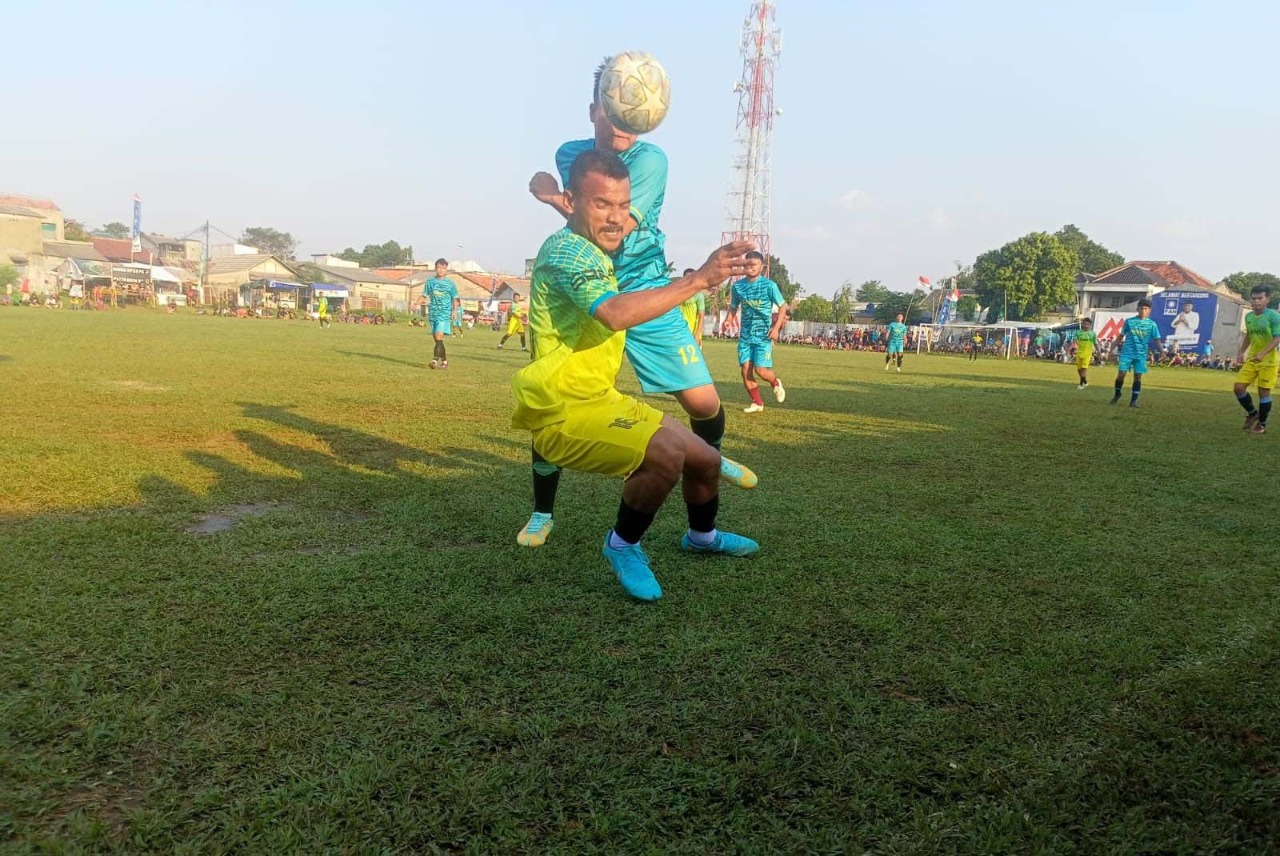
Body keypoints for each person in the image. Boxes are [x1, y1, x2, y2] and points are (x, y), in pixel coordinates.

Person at [517, 57, 755, 549]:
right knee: (557, 400)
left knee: (706, 403)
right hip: (585, 293)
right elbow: (589, 219)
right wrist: (559, 194)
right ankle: (542, 512)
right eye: (616, 110)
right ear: (595, 109)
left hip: (647, 288)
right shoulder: (570, 153)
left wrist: (549, 197)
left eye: (634, 113)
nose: (625, 122)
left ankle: (704, 461)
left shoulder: (651, 161)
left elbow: (615, 226)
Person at [729, 251, 789, 413]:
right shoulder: (738, 286)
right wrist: (729, 319)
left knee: (761, 371)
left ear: (761, 267)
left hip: (763, 335)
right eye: (747, 265)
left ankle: (775, 382)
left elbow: (783, 306)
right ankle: (757, 403)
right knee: (745, 370)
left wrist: (776, 329)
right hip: (746, 336)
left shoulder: (770, 286)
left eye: (754, 265)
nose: (750, 268)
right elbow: (734, 305)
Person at [1233, 285, 1280, 435]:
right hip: (1253, 359)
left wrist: (1263, 353)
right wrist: (1241, 352)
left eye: (1260, 298)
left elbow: (1277, 338)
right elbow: (1248, 335)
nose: (1256, 301)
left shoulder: (1274, 317)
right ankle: (1253, 413)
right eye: (1253, 298)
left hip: (1269, 361)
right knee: (1238, 388)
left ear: (1267, 299)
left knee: (1263, 392)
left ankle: (1262, 424)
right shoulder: (1249, 316)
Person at [1110, 298, 1162, 407]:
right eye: (1141, 308)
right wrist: (1111, 349)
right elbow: (1121, 336)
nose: (1143, 310)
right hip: (1127, 353)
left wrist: (1162, 351)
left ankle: (1134, 400)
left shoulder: (1152, 324)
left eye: (1145, 309)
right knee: (1121, 374)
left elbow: (1156, 339)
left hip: (1141, 354)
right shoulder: (1129, 321)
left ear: (1149, 310)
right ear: (1137, 309)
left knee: (1138, 376)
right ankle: (1117, 393)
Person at [417, 258, 460, 369]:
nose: (441, 270)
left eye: (443, 268)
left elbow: (455, 298)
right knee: (437, 339)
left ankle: (435, 360)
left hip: (444, 313)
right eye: (439, 267)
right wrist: (416, 303)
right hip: (433, 313)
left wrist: (455, 311)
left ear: (446, 270)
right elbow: (424, 295)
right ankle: (445, 361)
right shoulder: (430, 282)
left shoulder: (450, 284)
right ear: (436, 268)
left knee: (438, 335)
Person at [679, 267, 706, 344]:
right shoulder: (677, 295)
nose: (689, 280)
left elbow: (701, 316)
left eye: (691, 278)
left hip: (693, 333)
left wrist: (697, 334)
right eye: (687, 278)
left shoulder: (698, 295)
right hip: (678, 332)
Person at [1074, 318, 1097, 388]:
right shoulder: (1078, 332)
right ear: (1082, 324)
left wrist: (1098, 352)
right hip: (1079, 352)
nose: (1086, 325)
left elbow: (1095, 343)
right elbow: (1075, 341)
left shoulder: (1092, 334)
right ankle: (1085, 381)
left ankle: (1081, 384)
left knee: (1084, 368)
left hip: (1087, 353)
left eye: (1087, 324)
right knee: (1079, 369)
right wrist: (1069, 349)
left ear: (1090, 325)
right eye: (1084, 324)